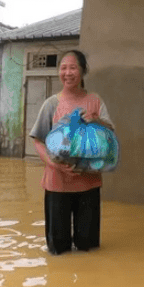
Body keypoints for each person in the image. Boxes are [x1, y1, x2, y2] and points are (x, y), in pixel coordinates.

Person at [29, 50, 115, 255]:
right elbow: (38, 140)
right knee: (58, 250)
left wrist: (97, 120)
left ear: (83, 71)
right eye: (63, 68)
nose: (67, 73)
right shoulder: (51, 104)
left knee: (89, 247)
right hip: (57, 184)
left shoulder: (95, 101)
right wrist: (52, 163)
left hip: (89, 183)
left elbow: (110, 134)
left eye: (73, 67)